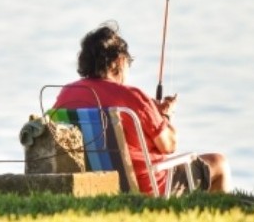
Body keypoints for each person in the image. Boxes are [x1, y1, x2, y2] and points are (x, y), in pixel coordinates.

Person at [52, 22, 231, 195]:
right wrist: (166, 116)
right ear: (120, 62)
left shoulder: (66, 95)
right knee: (219, 163)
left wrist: (152, 112)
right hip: (148, 188)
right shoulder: (132, 97)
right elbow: (169, 145)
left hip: (97, 187)